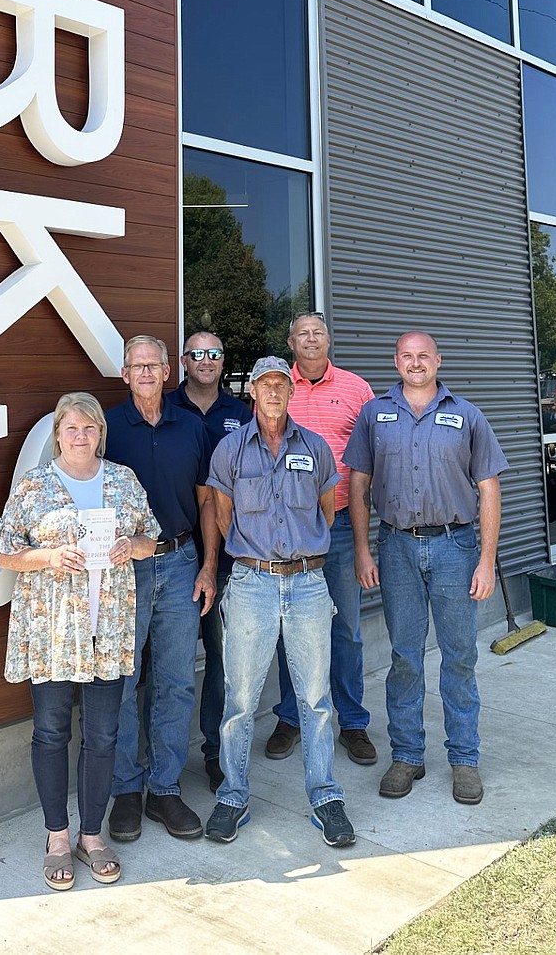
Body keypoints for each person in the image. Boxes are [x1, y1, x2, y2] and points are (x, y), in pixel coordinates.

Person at [0, 391, 161, 890]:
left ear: (100, 433)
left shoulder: (123, 481)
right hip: (54, 630)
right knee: (51, 732)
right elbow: (4, 552)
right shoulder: (35, 487)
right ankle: (57, 837)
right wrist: (48, 558)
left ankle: (91, 835)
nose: (80, 436)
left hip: (106, 630)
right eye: (70, 429)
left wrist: (135, 546)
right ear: (58, 434)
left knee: (103, 736)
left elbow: (152, 537)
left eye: (88, 428)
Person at [346, 331, 505, 806]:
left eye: (423, 356)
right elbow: (358, 484)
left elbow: (489, 488)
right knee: (404, 657)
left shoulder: (468, 416)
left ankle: (464, 759)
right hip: (395, 549)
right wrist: (361, 550)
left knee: (459, 656)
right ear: (396, 361)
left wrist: (487, 560)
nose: (415, 363)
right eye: (407, 356)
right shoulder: (375, 415)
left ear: (438, 360)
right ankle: (408, 755)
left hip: (456, 547)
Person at [204, 356, 356, 848]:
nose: (273, 391)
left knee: (315, 699)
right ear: (252, 391)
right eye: (264, 384)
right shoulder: (230, 449)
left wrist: (297, 555)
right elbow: (223, 515)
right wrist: (259, 559)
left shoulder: (314, 447)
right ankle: (233, 795)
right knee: (241, 698)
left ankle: (325, 796)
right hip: (251, 584)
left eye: (280, 383)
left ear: (291, 390)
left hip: (310, 583)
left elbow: (327, 513)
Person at [105, 335, 217, 843]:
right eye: (137, 365)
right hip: (124, 569)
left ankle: (165, 789)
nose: (146, 372)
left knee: (175, 680)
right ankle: (126, 790)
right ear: (124, 374)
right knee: (124, 682)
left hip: (181, 562)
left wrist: (209, 566)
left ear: (169, 372)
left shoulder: (191, 427)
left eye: (154, 364)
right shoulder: (108, 429)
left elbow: (209, 503)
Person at [266, 312, 376, 767]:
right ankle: (290, 717)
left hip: (345, 527)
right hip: (287, 528)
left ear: (328, 340)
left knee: (345, 628)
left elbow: (372, 459)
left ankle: (352, 722)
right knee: (289, 628)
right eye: (302, 334)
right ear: (291, 343)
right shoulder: (275, 389)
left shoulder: (356, 389)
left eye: (318, 332)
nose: (311, 340)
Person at [167, 330, 251, 791]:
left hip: (228, 560)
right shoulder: (164, 408)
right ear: (183, 360)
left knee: (222, 659)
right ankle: (165, 763)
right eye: (196, 352)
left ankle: (217, 754)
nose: (205, 360)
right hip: (176, 555)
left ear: (223, 361)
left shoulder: (241, 414)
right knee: (171, 663)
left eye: (214, 353)